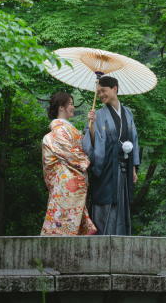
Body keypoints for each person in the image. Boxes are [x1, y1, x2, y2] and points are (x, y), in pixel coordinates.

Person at [82, 75, 140, 235]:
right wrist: (92, 126)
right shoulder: (98, 114)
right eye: (98, 92)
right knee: (106, 203)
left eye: (103, 91)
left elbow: (133, 139)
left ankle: (121, 241)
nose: (101, 95)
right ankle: (103, 241)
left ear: (115, 89)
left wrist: (133, 168)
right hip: (107, 169)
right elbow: (94, 142)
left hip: (124, 167)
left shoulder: (128, 113)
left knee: (122, 206)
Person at [40, 92, 97, 236]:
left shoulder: (66, 128)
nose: (73, 107)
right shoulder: (58, 129)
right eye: (70, 104)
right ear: (61, 107)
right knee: (62, 220)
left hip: (70, 179)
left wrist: (91, 125)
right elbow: (69, 152)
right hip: (65, 182)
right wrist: (87, 162)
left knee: (68, 219)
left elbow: (82, 147)